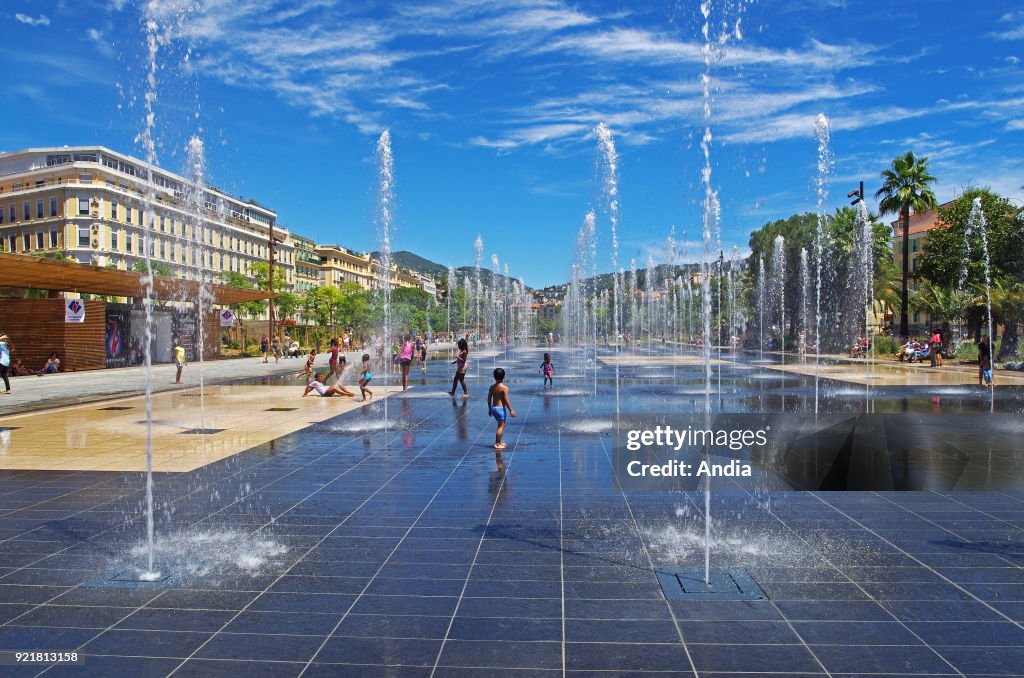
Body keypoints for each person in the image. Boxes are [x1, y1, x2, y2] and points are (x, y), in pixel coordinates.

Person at [487, 367, 516, 450]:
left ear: (494, 377)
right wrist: (511, 410)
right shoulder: (504, 388)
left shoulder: (492, 387)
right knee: (501, 426)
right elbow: (506, 400)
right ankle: (497, 443)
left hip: (494, 408)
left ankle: (499, 441)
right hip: (500, 409)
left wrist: (489, 409)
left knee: (501, 425)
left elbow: (489, 398)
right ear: (504, 377)